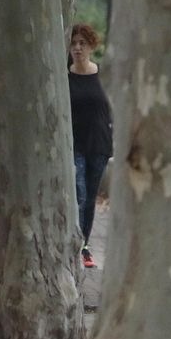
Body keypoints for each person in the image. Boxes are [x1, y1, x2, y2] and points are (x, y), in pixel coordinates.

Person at [68, 23, 112, 269]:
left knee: (90, 198)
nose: (77, 48)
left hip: (99, 144)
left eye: (82, 43)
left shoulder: (103, 76)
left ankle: (84, 246)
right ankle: (72, 243)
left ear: (91, 46)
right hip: (74, 145)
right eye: (74, 43)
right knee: (79, 192)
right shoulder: (65, 76)